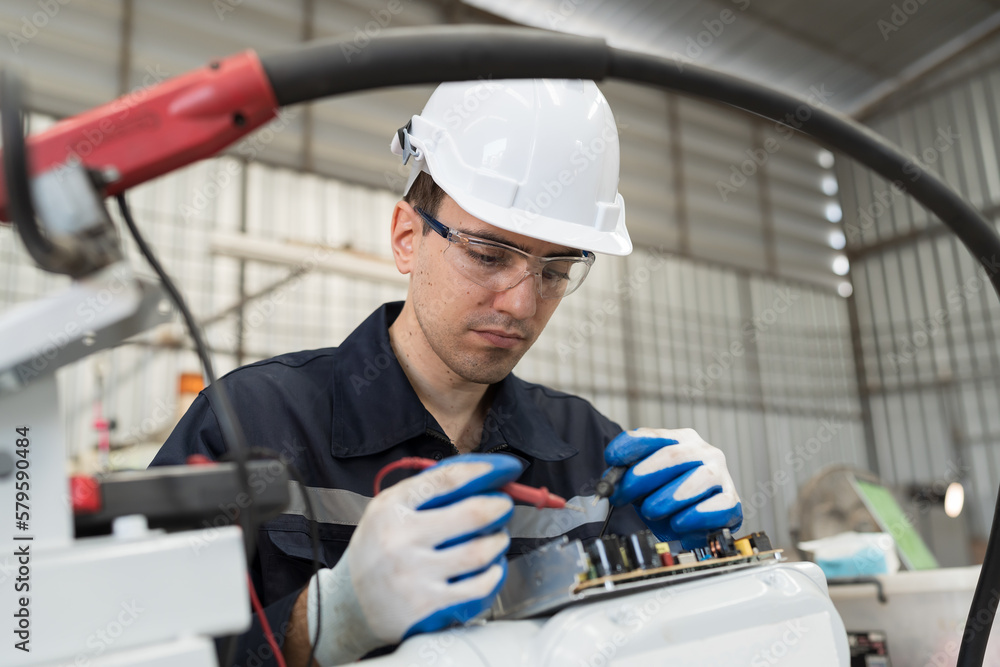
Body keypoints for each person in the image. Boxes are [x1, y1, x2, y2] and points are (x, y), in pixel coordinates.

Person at [151, 79, 742, 666]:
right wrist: (326, 621)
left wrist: (698, 564)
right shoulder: (250, 424)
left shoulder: (591, 450)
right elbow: (125, 648)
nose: (521, 303)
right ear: (408, 239)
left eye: (556, 270)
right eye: (488, 255)